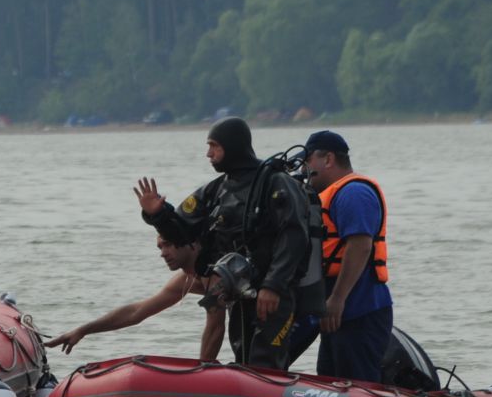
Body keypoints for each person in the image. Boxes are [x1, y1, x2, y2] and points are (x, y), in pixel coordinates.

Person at [136, 117, 322, 369]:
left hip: (275, 295)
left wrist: (273, 286)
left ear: (232, 146)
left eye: (214, 146)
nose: (208, 153)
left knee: (265, 363)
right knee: (244, 359)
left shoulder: (277, 183)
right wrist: (157, 214)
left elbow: (293, 237)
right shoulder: (214, 191)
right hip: (238, 295)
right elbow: (183, 234)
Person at [301, 130, 395, 382]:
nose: (305, 168)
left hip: (359, 309)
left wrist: (337, 299)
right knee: (330, 379)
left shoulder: (354, 192)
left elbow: (361, 245)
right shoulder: (328, 195)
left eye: (308, 160)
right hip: (336, 311)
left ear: (328, 159)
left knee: (358, 385)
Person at [47, 234, 227, 362]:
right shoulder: (185, 280)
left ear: (191, 244)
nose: (163, 253)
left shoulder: (213, 272)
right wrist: (83, 330)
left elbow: (216, 326)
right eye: (160, 247)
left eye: (168, 244)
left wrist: (203, 369)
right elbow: (136, 312)